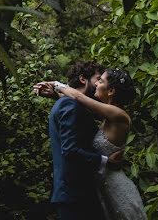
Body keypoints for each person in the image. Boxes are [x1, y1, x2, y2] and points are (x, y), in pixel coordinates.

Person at [48, 67, 147, 220]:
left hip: (114, 186)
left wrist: (56, 84)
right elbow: (80, 109)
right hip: (100, 188)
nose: (96, 84)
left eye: (101, 81)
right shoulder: (108, 115)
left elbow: (79, 98)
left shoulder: (119, 114)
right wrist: (57, 96)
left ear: (111, 91)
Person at [33, 61, 116, 220]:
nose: (99, 83)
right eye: (98, 79)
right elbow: (70, 150)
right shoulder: (69, 105)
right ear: (83, 79)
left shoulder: (70, 105)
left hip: (77, 195)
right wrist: (106, 161)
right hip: (74, 195)